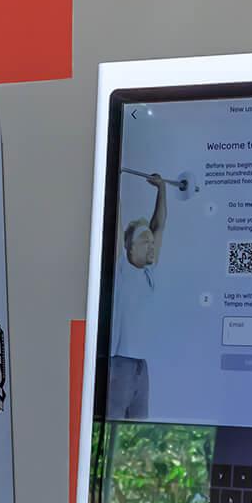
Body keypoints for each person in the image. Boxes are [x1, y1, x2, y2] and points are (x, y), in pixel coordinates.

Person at [106, 173, 177, 420]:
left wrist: (162, 189)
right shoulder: (120, 270)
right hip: (119, 366)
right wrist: (112, 179)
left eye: (151, 242)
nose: (150, 245)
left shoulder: (150, 274)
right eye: (144, 241)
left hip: (141, 368)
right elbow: (115, 221)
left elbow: (159, 225)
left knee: (138, 429)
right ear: (129, 248)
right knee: (114, 429)